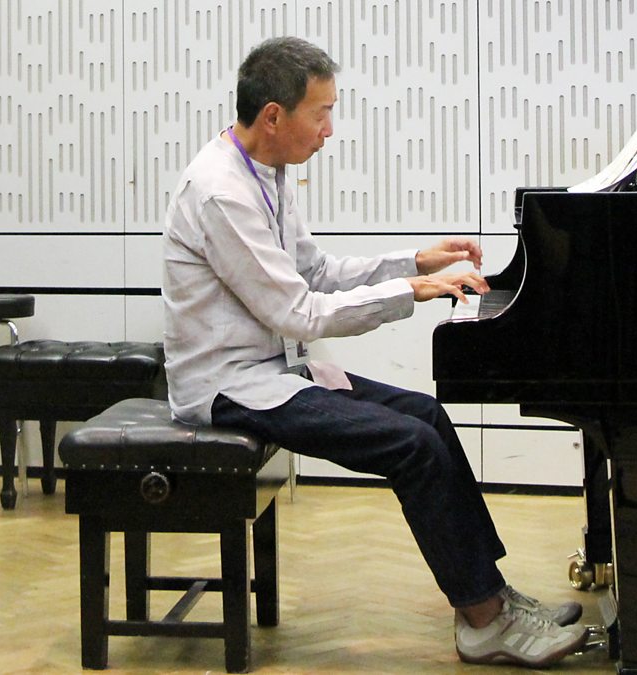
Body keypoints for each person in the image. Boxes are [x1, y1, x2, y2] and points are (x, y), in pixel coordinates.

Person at [162, 35, 588, 668]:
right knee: (410, 445)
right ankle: (483, 621)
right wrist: (411, 291)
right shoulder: (221, 192)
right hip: (228, 386)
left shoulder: (265, 173)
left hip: (275, 371)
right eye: (321, 113)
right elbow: (298, 312)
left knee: (427, 416)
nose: (329, 131)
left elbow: (316, 271)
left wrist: (414, 261)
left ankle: (491, 597)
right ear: (274, 115)